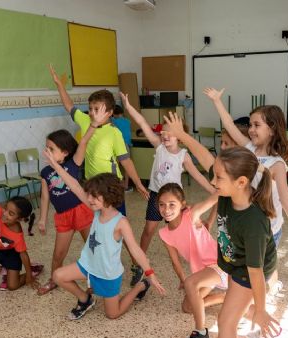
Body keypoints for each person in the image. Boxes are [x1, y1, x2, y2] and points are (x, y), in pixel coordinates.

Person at [185, 147, 281, 338]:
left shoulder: (253, 223)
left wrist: (260, 309)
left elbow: (256, 273)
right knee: (232, 311)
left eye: (218, 178)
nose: (213, 182)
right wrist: (183, 137)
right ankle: (262, 318)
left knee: (226, 322)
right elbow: (208, 161)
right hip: (236, 263)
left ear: (241, 182)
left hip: (248, 271)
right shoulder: (230, 191)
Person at [43, 146, 165, 320]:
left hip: (108, 273)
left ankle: (140, 287)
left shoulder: (120, 222)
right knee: (58, 276)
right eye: (89, 195)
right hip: (88, 265)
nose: (90, 199)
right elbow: (75, 186)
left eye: (94, 196)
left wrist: (150, 275)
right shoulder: (96, 210)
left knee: (112, 314)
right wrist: (56, 166)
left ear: (109, 196)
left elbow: (136, 250)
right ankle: (85, 299)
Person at [203, 87, 288, 263]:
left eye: (257, 125)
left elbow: (286, 199)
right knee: (249, 268)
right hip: (247, 223)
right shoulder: (248, 147)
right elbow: (228, 124)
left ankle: (268, 285)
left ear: (272, 129)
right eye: (250, 125)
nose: (251, 129)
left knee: (260, 270)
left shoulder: (276, 164)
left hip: (267, 230)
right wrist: (217, 101)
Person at [120, 92, 215, 286]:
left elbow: (198, 176)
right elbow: (144, 125)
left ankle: (196, 264)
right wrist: (129, 107)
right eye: (162, 133)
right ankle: (139, 262)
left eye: (169, 134)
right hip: (157, 196)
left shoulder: (183, 155)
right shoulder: (159, 147)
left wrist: (214, 191)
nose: (164, 137)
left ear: (179, 137)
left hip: (175, 201)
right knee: (149, 230)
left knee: (183, 232)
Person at [49, 64, 149, 217]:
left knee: (117, 221)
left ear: (109, 113)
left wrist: (138, 182)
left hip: (111, 185)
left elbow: (126, 161)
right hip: (91, 183)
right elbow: (68, 105)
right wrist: (59, 85)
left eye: (97, 110)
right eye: (90, 109)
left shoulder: (114, 133)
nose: (92, 113)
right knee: (97, 221)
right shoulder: (84, 120)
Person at [35, 105, 109, 295]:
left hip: (81, 211)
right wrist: (42, 219)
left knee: (92, 247)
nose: (47, 151)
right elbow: (45, 195)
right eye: (46, 147)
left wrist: (93, 124)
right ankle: (53, 280)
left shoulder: (73, 163)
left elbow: (83, 142)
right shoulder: (45, 171)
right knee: (58, 254)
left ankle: (95, 280)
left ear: (65, 152)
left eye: (51, 148)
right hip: (63, 217)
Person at [157, 183, 227, 338]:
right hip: (203, 272)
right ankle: (224, 297)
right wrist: (183, 279)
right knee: (187, 307)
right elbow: (175, 262)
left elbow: (216, 197)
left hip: (220, 264)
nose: (166, 209)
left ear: (182, 204)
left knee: (192, 283)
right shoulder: (164, 233)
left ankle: (201, 332)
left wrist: (224, 183)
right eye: (162, 205)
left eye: (172, 204)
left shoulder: (192, 215)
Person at [111, 105, 134, 192]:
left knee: (115, 166)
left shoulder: (113, 121)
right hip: (127, 145)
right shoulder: (128, 121)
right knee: (127, 166)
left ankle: (116, 186)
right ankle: (126, 186)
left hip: (117, 145)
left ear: (114, 114)